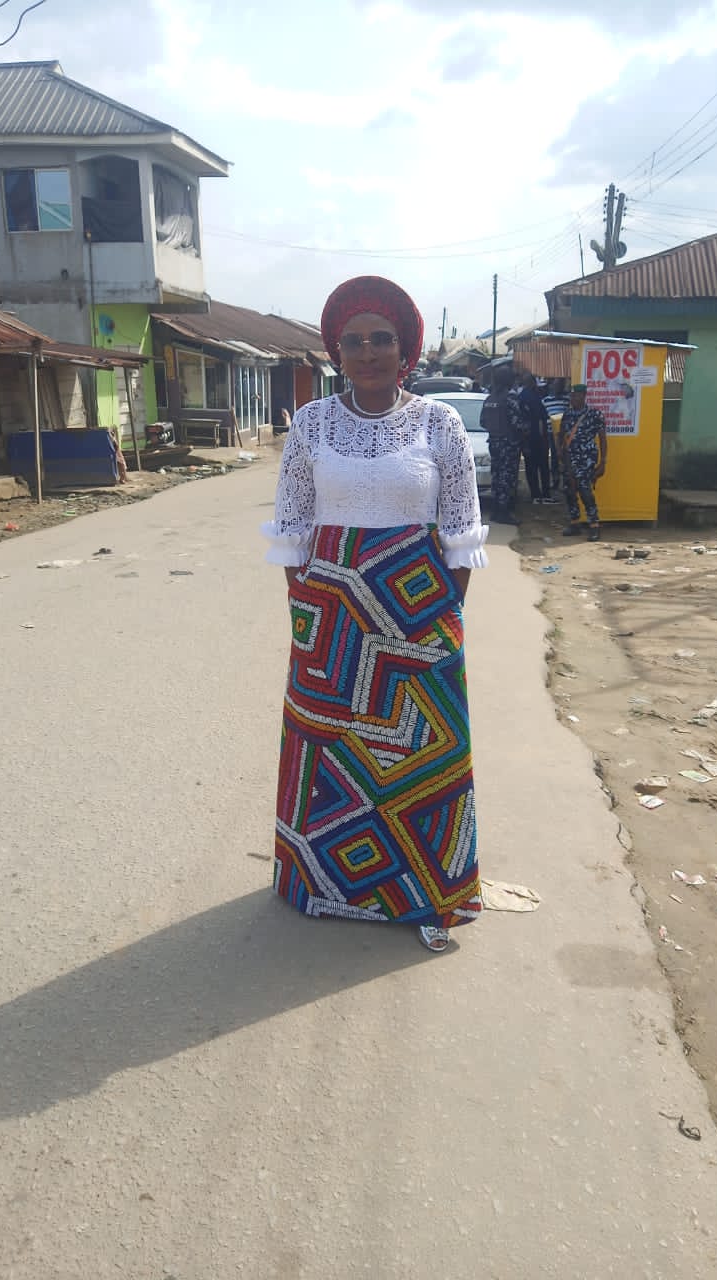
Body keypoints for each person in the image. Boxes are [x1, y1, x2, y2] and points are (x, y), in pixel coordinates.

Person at [262, 276, 487, 954]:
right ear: (337, 350)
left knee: (421, 752)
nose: (367, 352)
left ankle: (424, 892)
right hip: (330, 614)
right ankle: (323, 884)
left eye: (380, 339)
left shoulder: (437, 423)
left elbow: (460, 528)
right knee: (329, 747)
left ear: (405, 348)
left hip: (416, 610)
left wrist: (444, 619)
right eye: (354, 341)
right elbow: (293, 526)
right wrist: (305, 619)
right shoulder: (312, 424)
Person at [557, 383, 607, 542]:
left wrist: (603, 462)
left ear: (583, 396)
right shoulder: (567, 414)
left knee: (585, 491)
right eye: (571, 396)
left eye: (576, 396)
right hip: (569, 458)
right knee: (569, 491)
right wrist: (559, 450)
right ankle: (574, 523)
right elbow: (561, 434)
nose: (573, 398)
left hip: (586, 459)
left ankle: (594, 526)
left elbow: (603, 438)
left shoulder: (594, 414)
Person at [480, 364, 523, 525]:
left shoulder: (490, 399)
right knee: (506, 478)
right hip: (508, 444)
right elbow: (517, 423)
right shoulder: (510, 399)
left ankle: (496, 511)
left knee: (496, 476)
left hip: (494, 442)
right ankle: (503, 512)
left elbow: (483, 422)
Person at [518, 373, 554, 504]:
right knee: (543, 467)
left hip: (526, 438)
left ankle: (535, 495)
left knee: (530, 468)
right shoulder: (533, 397)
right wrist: (544, 439)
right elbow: (540, 419)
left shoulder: (521, 397)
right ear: (532, 383)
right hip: (537, 438)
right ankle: (545, 495)